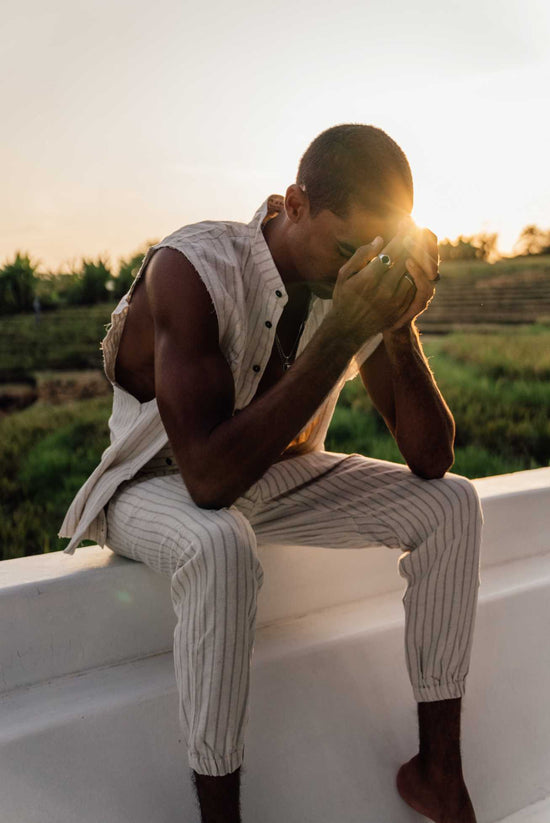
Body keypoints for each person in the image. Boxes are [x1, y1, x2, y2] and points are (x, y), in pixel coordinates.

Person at [58, 123, 482, 823]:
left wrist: (397, 323)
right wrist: (346, 330)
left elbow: (432, 457)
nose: (358, 267)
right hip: (151, 485)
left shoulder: (353, 282)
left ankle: (439, 773)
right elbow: (206, 480)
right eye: (348, 247)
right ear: (294, 203)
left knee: (453, 505)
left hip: (271, 478)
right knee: (220, 542)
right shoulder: (191, 268)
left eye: (374, 253)